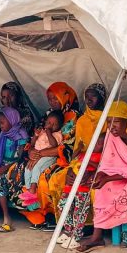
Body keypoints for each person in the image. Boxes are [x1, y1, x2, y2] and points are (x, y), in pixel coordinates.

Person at [74, 102, 127, 253]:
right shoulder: (111, 135)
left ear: (126, 120)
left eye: (116, 121)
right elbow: (107, 163)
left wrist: (109, 177)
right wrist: (101, 175)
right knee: (102, 188)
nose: (112, 126)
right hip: (121, 175)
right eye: (109, 122)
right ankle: (97, 237)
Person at [20, 82, 82, 228]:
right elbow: (36, 135)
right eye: (50, 99)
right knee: (23, 169)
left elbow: (67, 147)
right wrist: (31, 152)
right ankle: (36, 212)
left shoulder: (74, 117)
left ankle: (52, 216)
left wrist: (40, 154)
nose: (52, 102)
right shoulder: (48, 115)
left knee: (46, 177)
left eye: (56, 98)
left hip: (64, 159)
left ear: (64, 97)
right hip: (42, 154)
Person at [18, 111, 64, 206]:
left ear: (59, 127)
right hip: (37, 155)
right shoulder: (42, 132)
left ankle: (33, 188)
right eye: (49, 123)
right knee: (28, 168)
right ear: (45, 122)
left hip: (49, 156)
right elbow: (33, 143)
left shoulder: (57, 135)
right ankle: (29, 190)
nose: (50, 126)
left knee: (36, 168)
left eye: (54, 124)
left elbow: (54, 144)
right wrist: (35, 135)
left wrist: (48, 133)